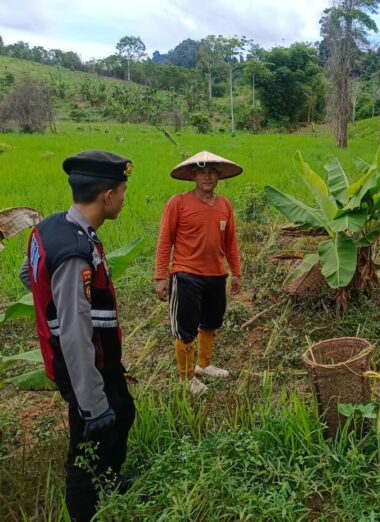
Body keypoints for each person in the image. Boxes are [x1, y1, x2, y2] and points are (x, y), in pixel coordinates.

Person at [20, 150, 136, 522]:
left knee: (124, 413)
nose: (123, 197)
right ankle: (88, 508)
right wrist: (91, 403)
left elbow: (29, 272)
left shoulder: (52, 227)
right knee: (86, 447)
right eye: (122, 190)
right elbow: (74, 333)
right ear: (107, 195)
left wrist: (47, 294)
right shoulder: (74, 253)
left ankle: (112, 482)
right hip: (86, 367)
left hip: (100, 360)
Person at [155, 150, 243, 396]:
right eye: (202, 171)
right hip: (186, 274)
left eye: (212, 171)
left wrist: (235, 272)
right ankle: (186, 378)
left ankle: (203, 365)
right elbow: (165, 241)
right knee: (186, 328)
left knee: (212, 321)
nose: (207, 176)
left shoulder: (224, 205)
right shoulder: (178, 203)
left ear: (219, 176)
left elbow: (231, 243)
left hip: (216, 274)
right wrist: (161, 277)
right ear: (194, 175)